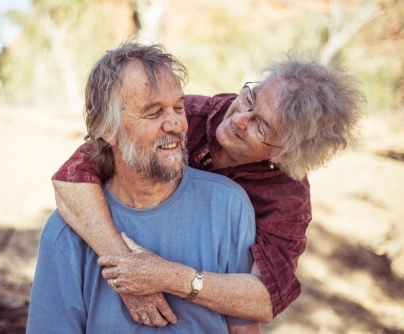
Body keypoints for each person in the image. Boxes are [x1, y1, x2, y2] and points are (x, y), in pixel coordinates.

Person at [51, 46, 366, 325]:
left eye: (261, 126)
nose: (239, 118)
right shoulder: (192, 114)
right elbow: (73, 175)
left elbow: (265, 298)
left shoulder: (288, 198)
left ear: (287, 153)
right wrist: (128, 274)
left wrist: (167, 278)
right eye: (249, 100)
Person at [27, 42, 261, 333]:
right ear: (107, 130)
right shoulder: (65, 233)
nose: (175, 124)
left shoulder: (229, 206)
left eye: (179, 107)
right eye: (153, 113)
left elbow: (244, 327)